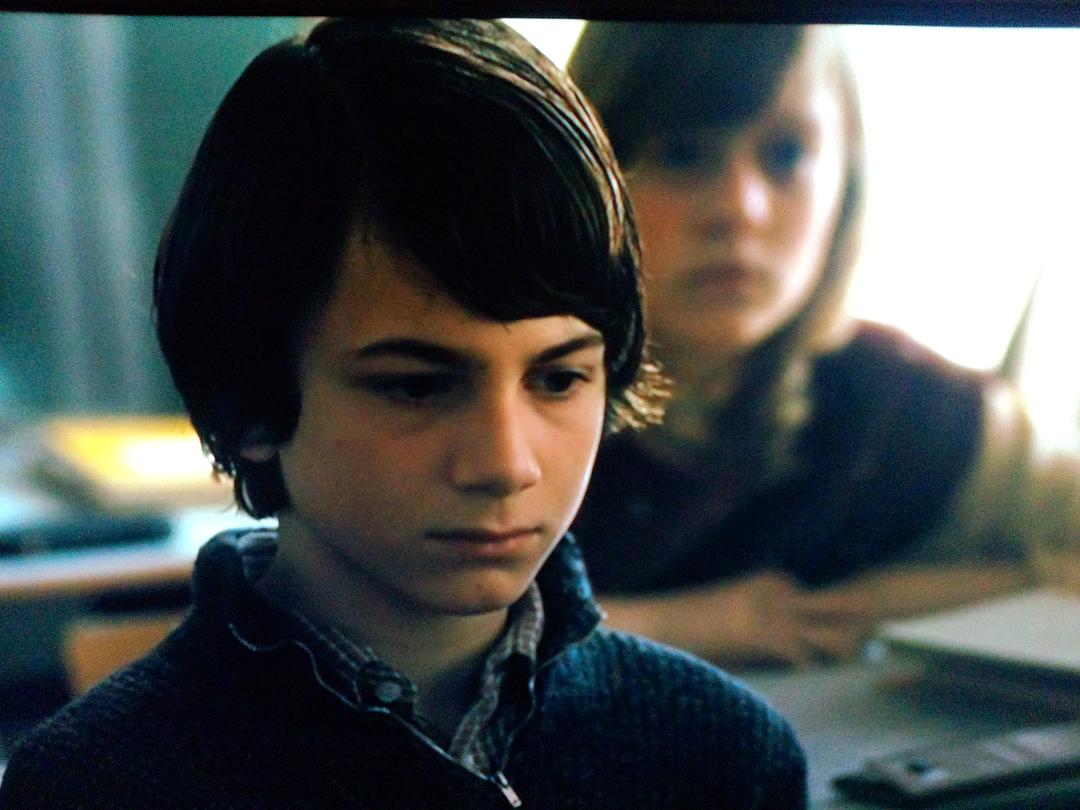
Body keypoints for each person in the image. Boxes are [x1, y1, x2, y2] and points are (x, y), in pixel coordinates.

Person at [0, 19, 807, 809]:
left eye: (559, 378)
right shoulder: (96, 785)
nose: (507, 464)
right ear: (248, 401)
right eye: (417, 387)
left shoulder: (724, 756)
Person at [567, 22, 1050, 669]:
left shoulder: (909, 408)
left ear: (846, 180)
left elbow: (1061, 549)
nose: (741, 209)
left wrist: (877, 602)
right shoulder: (488, 389)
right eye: (682, 155)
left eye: (787, 155)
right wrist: (671, 626)